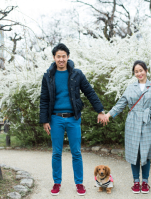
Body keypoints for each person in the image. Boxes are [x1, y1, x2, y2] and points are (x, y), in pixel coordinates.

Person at [39, 43, 107, 196]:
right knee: (56, 152)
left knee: (76, 152)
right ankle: (57, 182)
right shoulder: (48, 76)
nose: (61, 59)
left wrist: (100, 111)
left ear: (68, 57)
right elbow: (44, 99)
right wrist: (45, 121)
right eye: (58, 56)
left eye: (64, 56)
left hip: (73, 119)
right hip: (55, 119)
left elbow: (89, 92)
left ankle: (79, 183)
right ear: (54, 58)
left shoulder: (77, 74)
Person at [103, 60, 151, 194]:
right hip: (132, 122)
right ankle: (136, 182)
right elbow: (121, 104)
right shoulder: (130, 88)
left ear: (146, 71)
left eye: (141, 70)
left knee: (145, 153)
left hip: (148, 123)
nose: (139, 73)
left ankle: (145, 182)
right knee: (134, 152)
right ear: (134, 74)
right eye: (136, 71)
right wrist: (109, 114)